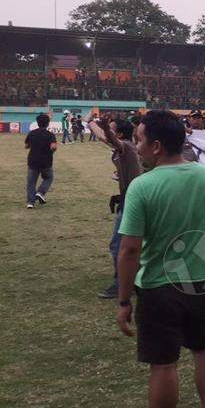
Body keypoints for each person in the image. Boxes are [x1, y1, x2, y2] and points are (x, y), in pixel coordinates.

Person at [116, 109, 205, 408]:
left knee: (163, 364)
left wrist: (123, 300)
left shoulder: (142, 186)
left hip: (159, 287)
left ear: (156, 146)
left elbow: (130, 250)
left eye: (140, 140)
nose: (138, 147)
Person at [86, 113, 144, 299]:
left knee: (117, 246)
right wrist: (90, 122)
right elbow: (105, 138)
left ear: (118, 135)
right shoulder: (126, 146)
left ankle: (122, 284)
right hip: (130, 199)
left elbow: (111, 140)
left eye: (111, 129)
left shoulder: (125, 146)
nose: (106, 132)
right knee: (133, 244)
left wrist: (103, 128)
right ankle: (136, 280)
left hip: (132, 202)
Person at [25, 113, 57, 209]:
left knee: (31, 182)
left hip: (32, 161)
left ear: (37, 123)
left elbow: (27, 146)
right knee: (48, 178)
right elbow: (53, 146)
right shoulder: (50, 135)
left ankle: (30, 202)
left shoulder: (32, 133)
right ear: (48, 123)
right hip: (46, 161)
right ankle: (40, 192)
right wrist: (52, 152)